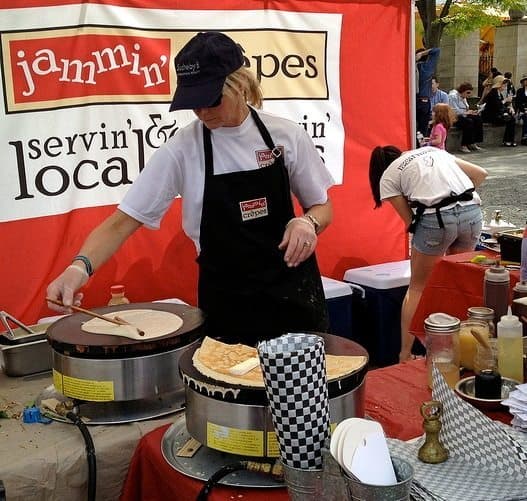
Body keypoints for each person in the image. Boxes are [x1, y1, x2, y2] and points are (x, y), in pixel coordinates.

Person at [46, 31, 335, 346]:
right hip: (229, 308)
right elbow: (122, 222)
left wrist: (308, 222)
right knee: (230, 391)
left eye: (211, 100)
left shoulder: (285, 136)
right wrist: (79, 268)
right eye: (193, 103)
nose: (202, 112)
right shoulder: (183, 149)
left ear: (239, 85)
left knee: (299, 394)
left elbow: (322, 207)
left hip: (293, 299)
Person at [369, 145, 488, 362]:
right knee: (457, 282)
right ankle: (462, 350)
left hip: (437, 221)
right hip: (473, 213)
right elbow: (481, 173)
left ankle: (405, 354)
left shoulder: (388, 176)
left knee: (417, 288)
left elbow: (410, 223)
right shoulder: (434, 152)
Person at [481, 74, 517, 147]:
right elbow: (497, 106)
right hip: (490, 116)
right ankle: (508, 140)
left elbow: (501, 106)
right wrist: (506, 100)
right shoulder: (493, 93)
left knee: (512, 118)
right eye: (503, 84)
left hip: (496, 114)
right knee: (511, 120)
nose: (505, 86)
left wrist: (508, 109)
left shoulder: (498, 93)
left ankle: (509, 140)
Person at [448, 82, 485, 153]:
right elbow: (453, 110)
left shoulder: (463, 97)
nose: (469, 95)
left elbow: (466, 108)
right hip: (455, 117)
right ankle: (464, 145)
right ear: (462, 91)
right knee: (468, 122)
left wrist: (471, 112)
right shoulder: (453, 96)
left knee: (477, 119)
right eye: (467, 92)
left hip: (463, 115)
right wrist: (465, 112)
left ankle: (473, 142)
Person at [415, 47, 441, 137]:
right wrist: (423, 53)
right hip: (424, 101)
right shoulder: (426, 68)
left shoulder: (411, 67)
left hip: (412, 100)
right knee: (422, 129)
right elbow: (436, 50)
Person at [516, 74, 527, 145]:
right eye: (525, 81)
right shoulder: (520, 91)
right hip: (522, 110)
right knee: (526, 118)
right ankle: (525, 137)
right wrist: (524, 110)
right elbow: (518, 102)